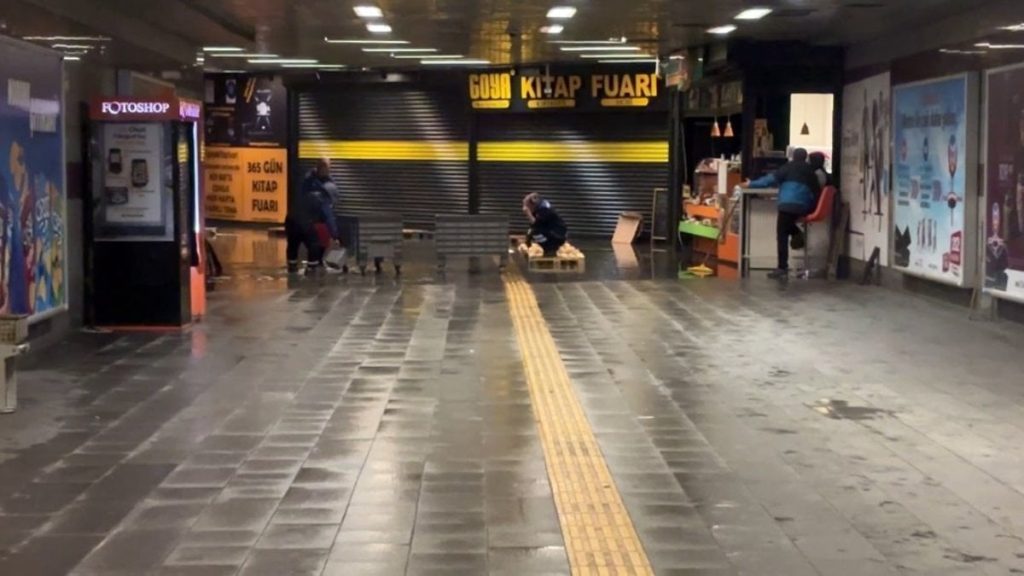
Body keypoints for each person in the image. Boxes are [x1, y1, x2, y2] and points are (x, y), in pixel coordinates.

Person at [746, 148, 821, 279]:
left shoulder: (787, 167)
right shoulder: (811, 171)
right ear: (805, 158)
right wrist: (811, 207)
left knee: (782, 234)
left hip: (787, 205)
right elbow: (816, 191)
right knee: (788, 223)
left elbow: (769, 180)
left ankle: (782, 267)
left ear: (793, 157)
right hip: (804, 207)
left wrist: (751, 184)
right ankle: (797, 233)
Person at [286, 158, 338, 274]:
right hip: (306, 222)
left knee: (293, 243)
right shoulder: (322, 195)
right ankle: (312, 268)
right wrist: (335, 235)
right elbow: (328, 216)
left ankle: (292, 267)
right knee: (313, 244)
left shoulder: (308, 180)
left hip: (291, 218)